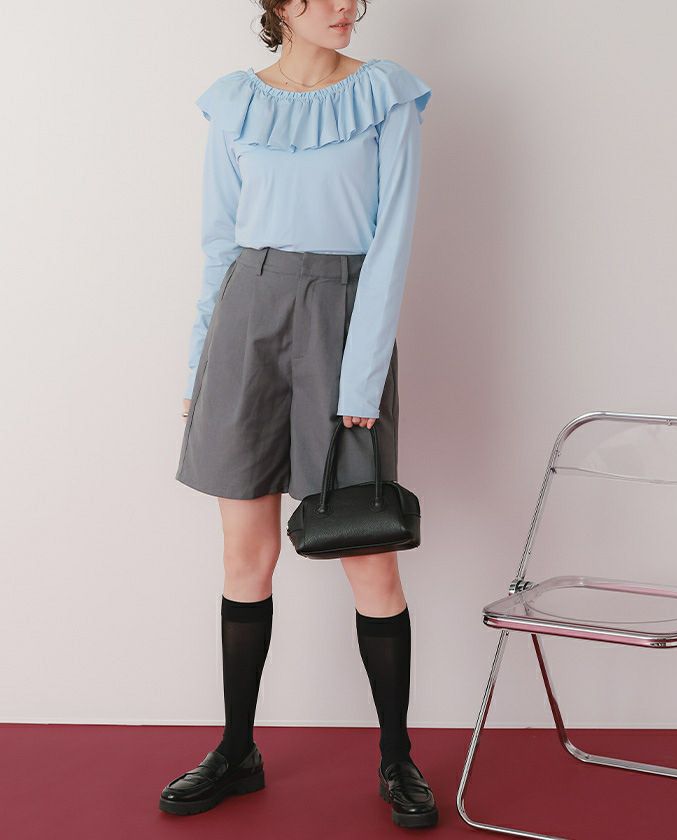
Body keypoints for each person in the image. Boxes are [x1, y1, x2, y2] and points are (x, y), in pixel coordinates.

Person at [160, 0, 436, 828]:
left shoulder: (386, 94)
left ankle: (398, 759)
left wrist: (361, 382)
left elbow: (392, 241)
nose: (346, 6)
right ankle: (237, 750)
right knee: (245, 556)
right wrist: (198, 363)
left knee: (369, 554)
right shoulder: (234, 102)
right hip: (247, 319)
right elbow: (219, 245)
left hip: (343, 322)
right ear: (280, 5)